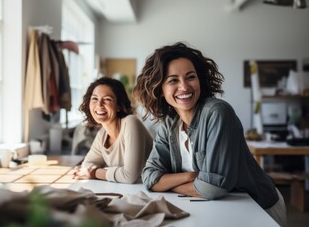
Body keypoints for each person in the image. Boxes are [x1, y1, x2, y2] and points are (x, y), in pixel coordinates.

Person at [133, 42, 286, 226]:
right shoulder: (169, 124)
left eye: (190, 77)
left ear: (200, 80)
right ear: (160, 89)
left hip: (257, 209)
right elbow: (149, 177)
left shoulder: (218, 113)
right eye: (173, 80)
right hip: (215, 209)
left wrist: (169, 184)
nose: (184, 86)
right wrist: (189, 177)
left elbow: (213, 188)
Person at [72, 76, 153, 184]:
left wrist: (94, 172)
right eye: (95, 99)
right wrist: (95, 171)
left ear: (119, 105)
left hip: (152, 193)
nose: (99, 104)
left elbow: (129, 176)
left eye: (107, 99)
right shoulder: (102, 134)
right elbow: (86, 165)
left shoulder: (131, 122)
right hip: (126, 192)